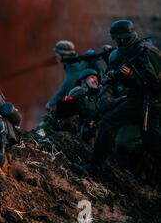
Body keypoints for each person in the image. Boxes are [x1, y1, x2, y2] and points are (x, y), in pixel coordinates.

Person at [79, 20, 161, 173]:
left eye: (116, 39)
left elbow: (154, 83)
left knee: (152, 144)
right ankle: (95, 166)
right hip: (138, 98)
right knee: (107, 122)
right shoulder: (130, 49)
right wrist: (117, 75)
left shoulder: (146, 51)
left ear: (122, 38)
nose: (115, 42)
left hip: (152, 102)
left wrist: (131, 77)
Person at [45, 40, 88, 112]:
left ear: (64, 54)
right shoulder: (74, 62)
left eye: (58, 53)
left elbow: (67, 86)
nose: (56, 56)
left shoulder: (74, 66)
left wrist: (51, 102)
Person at [68, 69, 101, 143]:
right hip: (74, 132)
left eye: (97, 79)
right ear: (83, 81)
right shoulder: (78, 90)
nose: (96, 81)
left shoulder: (95, 97)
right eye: (92, 77)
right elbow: (73, 96)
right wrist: (88, 91)